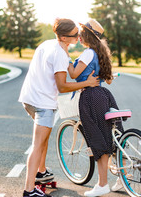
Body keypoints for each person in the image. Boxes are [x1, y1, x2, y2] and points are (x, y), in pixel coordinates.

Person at [18, 18, 100, 197]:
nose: (79, 36)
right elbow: (62, 86)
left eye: (78, 32)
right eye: (74, 35)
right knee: (38, 144)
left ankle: (41, 172)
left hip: (29, 98)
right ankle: (29, 190)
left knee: (43, 138)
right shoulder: (60, 55)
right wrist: (88, 82)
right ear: (63, 37)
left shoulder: (49, 44)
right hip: (43, 104)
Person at [63, 19, 124, 197]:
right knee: (112, 137)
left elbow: (73, 74)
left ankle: (102, 184)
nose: (79, 36)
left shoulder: (88, 53)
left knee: (98, 139)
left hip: (90, 97)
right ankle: (123, 177)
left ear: (87, 35)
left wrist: (65, 55)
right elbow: (109, 80)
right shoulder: (100, 53)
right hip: (103, 95)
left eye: (81, 32)